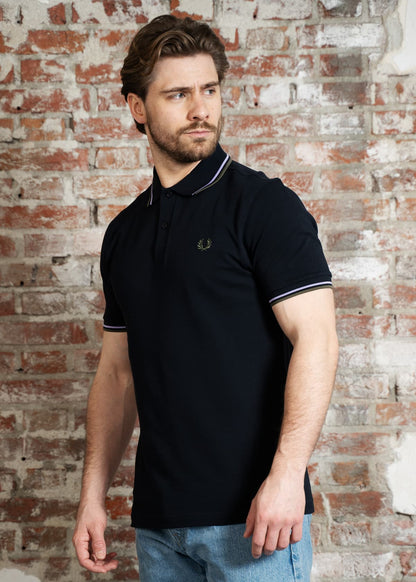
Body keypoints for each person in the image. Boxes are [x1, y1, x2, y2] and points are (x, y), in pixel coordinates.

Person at [72, 14, 338, 582]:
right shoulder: (124, 235)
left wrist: (287, 478)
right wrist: (92, 496)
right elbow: (117, 375)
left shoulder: (265, 206)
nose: (201, 110)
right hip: (159, 526)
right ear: (137, 108)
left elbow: (316, 339)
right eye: (178, 94)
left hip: (256, 521)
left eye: (210, 90)